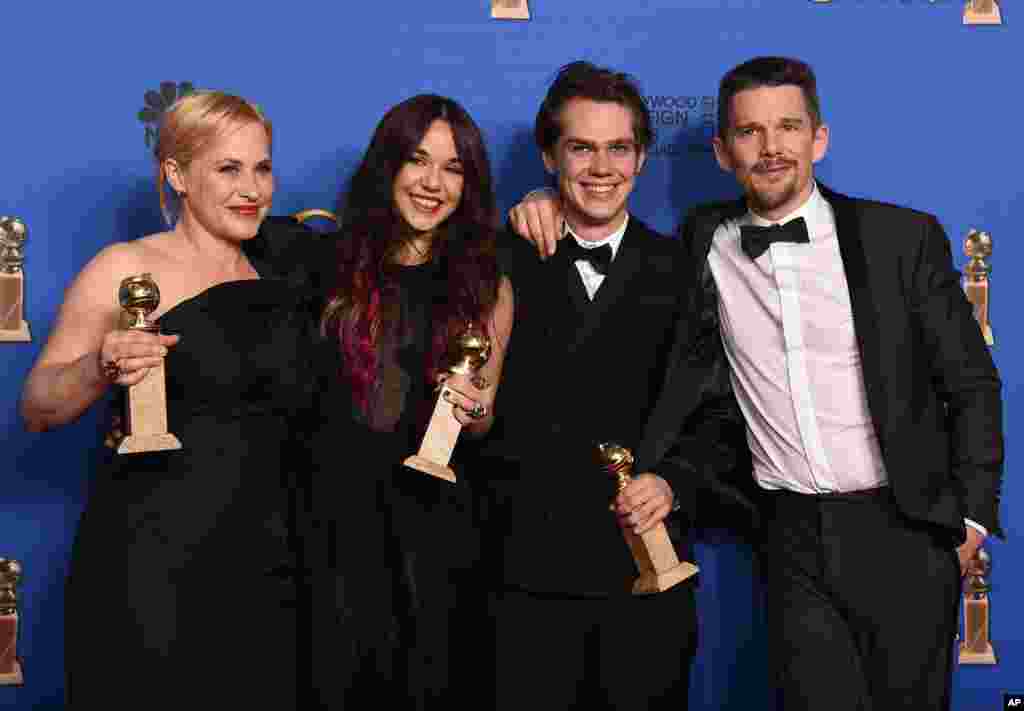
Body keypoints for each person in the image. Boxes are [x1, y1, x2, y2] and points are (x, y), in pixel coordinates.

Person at [508, 56, 1004, 711]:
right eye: (749, 133)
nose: (770, 149)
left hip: (905, 530)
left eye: (788, 128)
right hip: (789, 535)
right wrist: (541, 202)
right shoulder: (702, 243)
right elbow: (599, 221)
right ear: (720, 150)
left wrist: (967, 524)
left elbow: (971, 383)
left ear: (818, 138)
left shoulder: (900, 238)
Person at [20, 91, 327, 706]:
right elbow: (37, 404)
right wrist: (100, 363)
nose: (252, 190)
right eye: (228, 168)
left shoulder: (291, 268)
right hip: (155, 559)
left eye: (262, 168)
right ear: (177, 174)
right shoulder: (125, 268)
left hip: (272, 563)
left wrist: (543, 201)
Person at [480, 61, 747, 711]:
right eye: (581, 147)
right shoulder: (498, 259)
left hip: (647, 580)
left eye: (618, 147)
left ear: (642, 157)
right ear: (549, 156)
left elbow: (722, 414)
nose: (602, 167)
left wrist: (674, 482)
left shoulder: (686, 271)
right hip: (521, 583)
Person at [304, 93, 513, 709]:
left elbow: (484, 415)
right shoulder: (325, 265)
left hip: (436, 532)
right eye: (418, 161)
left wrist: (472, 408)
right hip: (331, 525)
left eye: (453, 169)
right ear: (387, 165)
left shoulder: (487, 282)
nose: (432, 183)